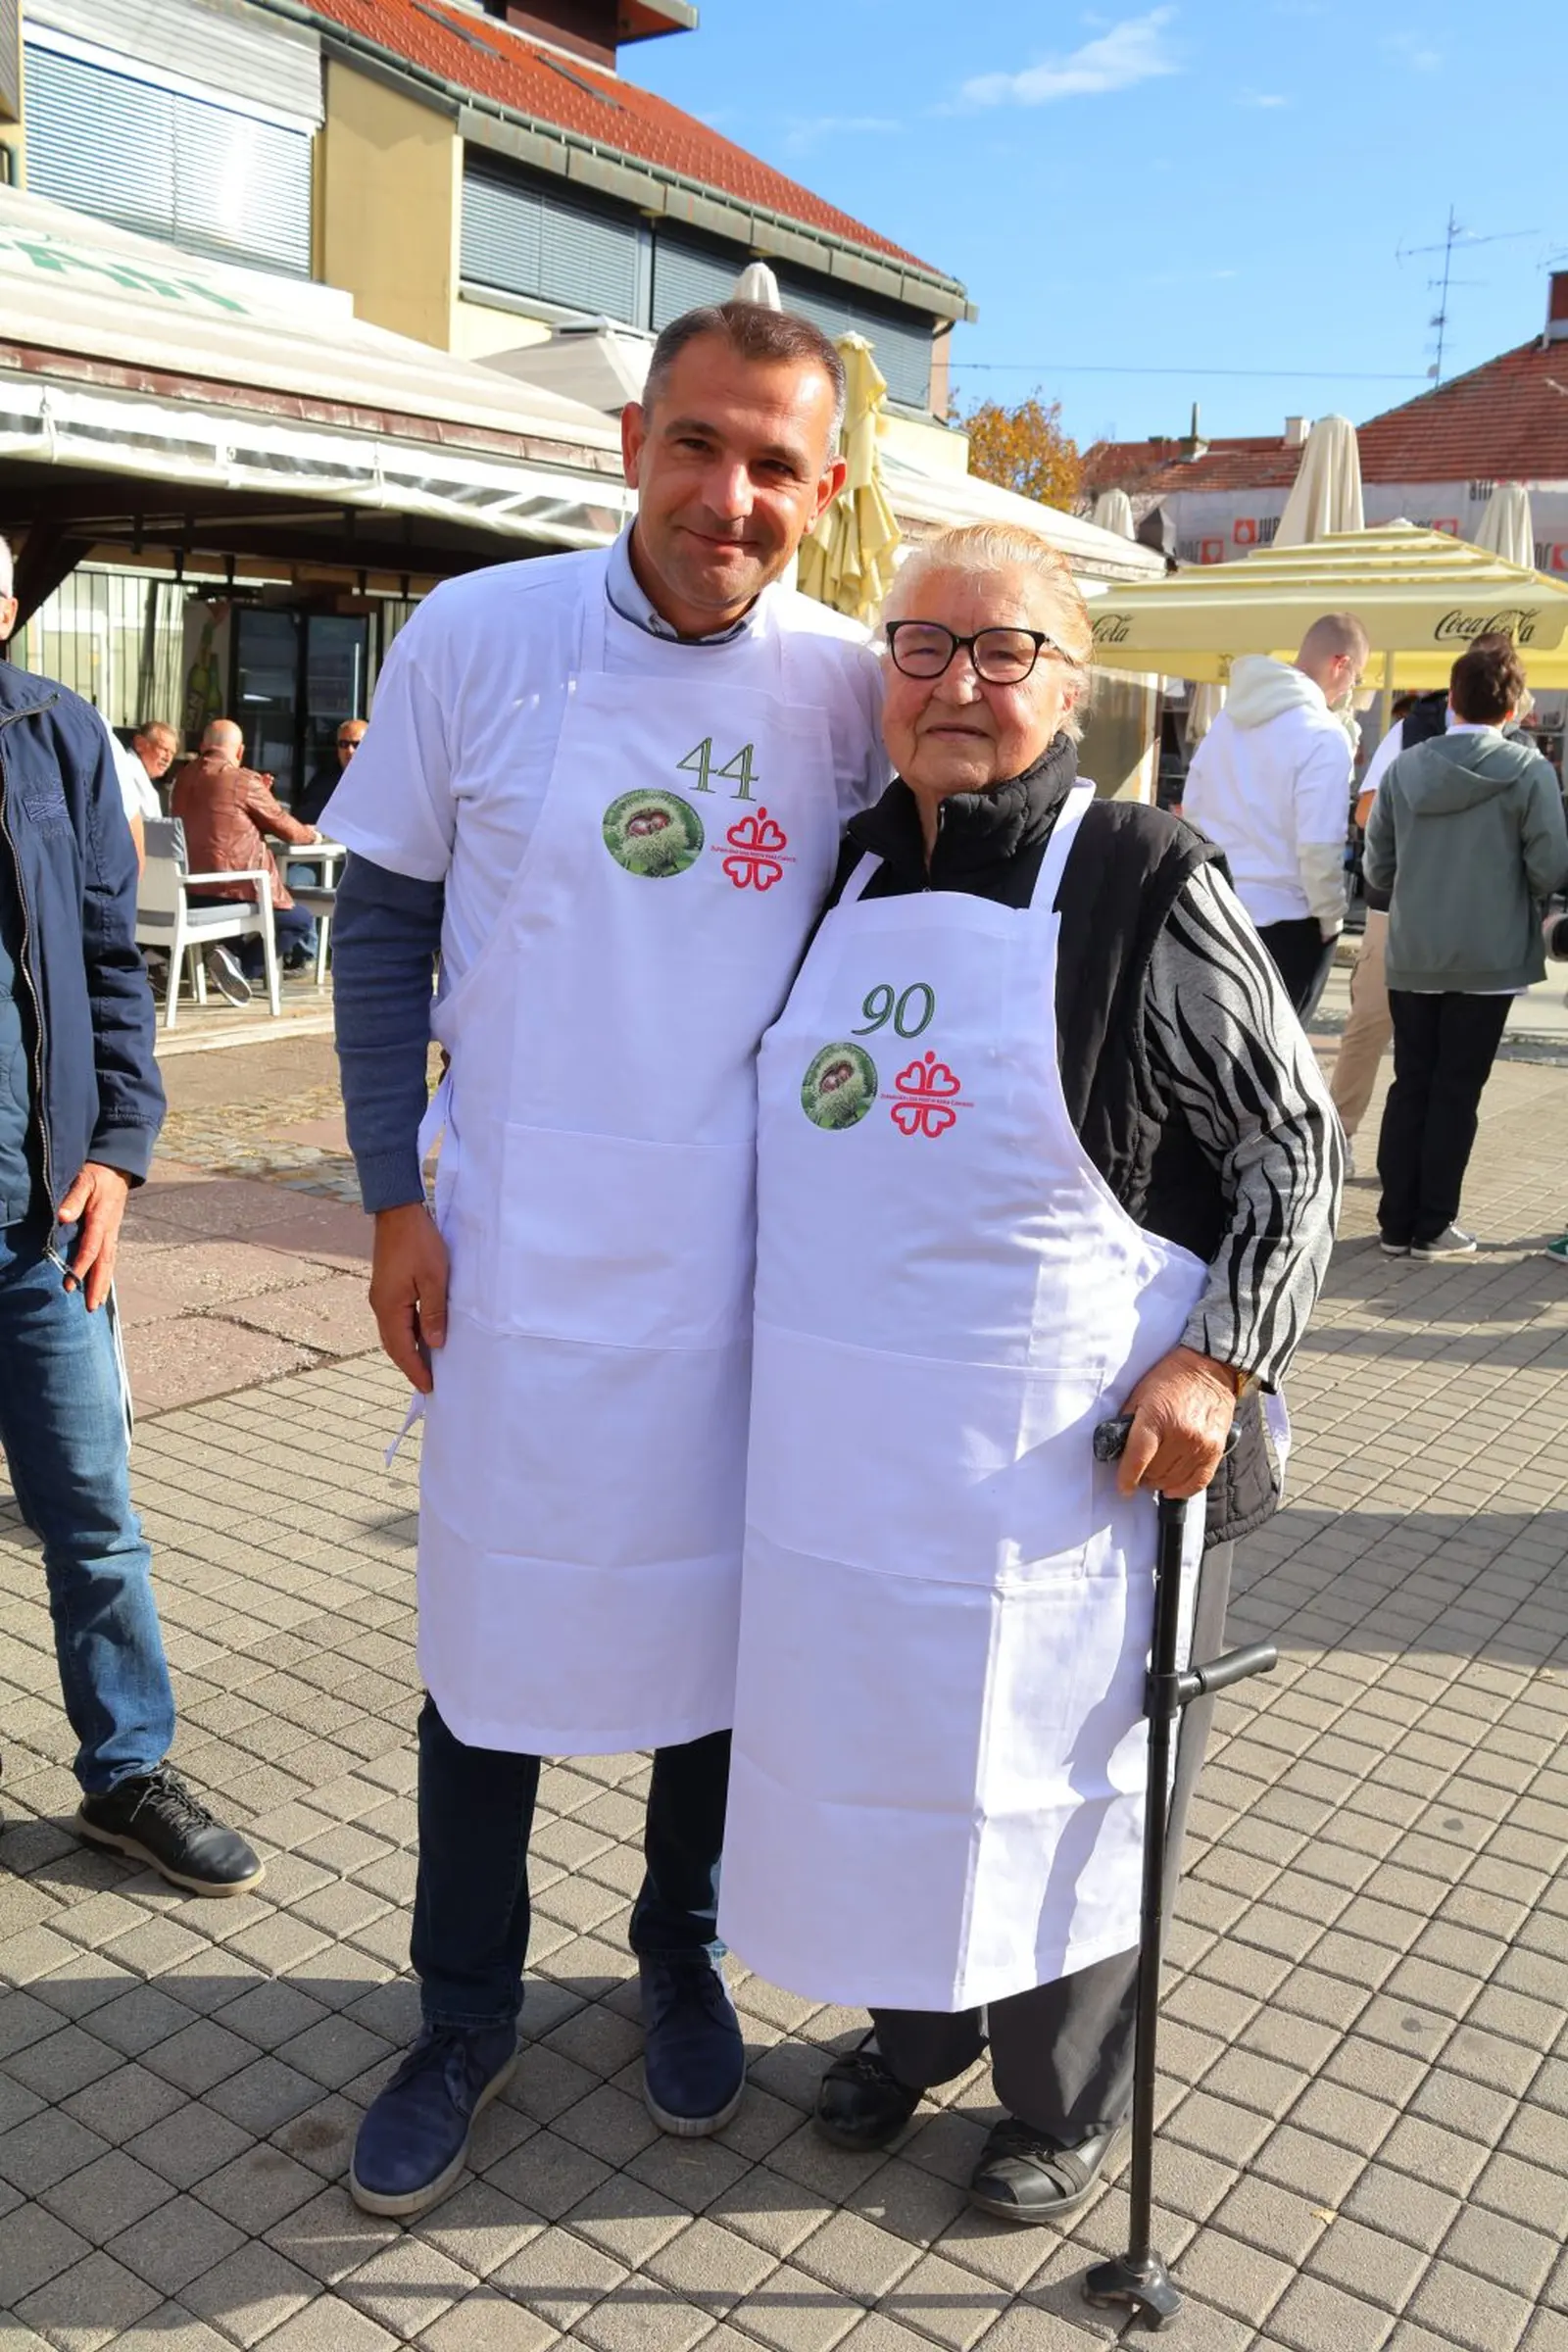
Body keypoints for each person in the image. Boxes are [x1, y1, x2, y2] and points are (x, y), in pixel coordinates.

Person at [328, 300, 888, 2221]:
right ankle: (460, 2012)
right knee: (487, 1642)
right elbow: (380, 923)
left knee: (715, 1640)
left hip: (750, 1262)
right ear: (633, 437)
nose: (726, 496)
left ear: (819, 493)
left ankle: (677, 1946)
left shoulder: (845, 686)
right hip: (518, 1246)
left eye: (773, 468)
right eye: (698, 444)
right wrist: (389, 1194)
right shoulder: (479, 636)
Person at [717, 522, 1341, 2226]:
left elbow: (1294, 1141)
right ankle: (914, 2032)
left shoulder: (1140, 877)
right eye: (925, 647)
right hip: (860, 1465)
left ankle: (1060, 2101)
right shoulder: (842, 872)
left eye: (1006, 655)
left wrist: (1221, 1358)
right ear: (882, 675)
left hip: (1092, 1465)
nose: (960, 686)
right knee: (894, 1749)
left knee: (1068, 1780)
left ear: (1071, 687)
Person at [0, 589, 263, 1893]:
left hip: (39, 1223)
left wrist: (115, 1155)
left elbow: (114, 962)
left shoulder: (53, 735)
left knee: (94, 1518)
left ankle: (126, 1773)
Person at [1366, 636, 1568, 1258]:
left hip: (1415, 950)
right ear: (1514, 710)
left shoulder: (1404, 769)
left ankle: (1395, 1223)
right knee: (1458, 1090)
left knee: (1410, 1083)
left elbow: (1377, 866)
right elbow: (1550, 866)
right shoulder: (1530, 771)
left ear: (1450, 698)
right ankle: (1433, 1225)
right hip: (1491, 954)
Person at [1182, 612, 1368, 1015]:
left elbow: (1193, 806)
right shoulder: (1323, 733)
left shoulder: (1228, 719)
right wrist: (1330, 917)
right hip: (1287, 920)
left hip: (1215, 907)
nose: (1351, 690)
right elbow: (1319, 845)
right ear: (1342, 663)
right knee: (1276, 1063)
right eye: (1357, 679)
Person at [170, 718, 322, 1000]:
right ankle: (241, 968)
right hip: (234, 891)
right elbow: (288, 830)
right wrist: (312, 835)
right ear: (239, 751)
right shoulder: (242, 780)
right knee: (299, 919)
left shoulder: (182, 778)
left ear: (204, 746)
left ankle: (229, 957)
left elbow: (226, 818)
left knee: (246, 928)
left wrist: (259, 792)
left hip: (189, 892)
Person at [295, 716, 366, 831]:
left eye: (357, 744)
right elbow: (303, 817)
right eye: (343, 744)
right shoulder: (323, 781)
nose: (349, 750)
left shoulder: (382, 782)